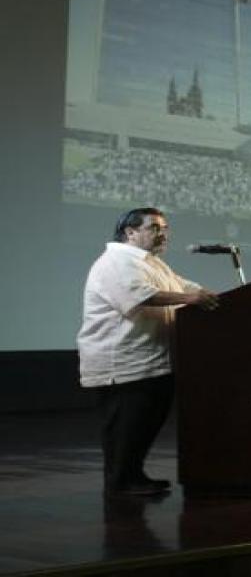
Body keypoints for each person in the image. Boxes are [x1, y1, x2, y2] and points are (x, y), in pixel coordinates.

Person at [77, 208, 219, 496]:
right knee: (125, 429)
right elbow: (140, 297)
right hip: (124, 364)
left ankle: (133, 476)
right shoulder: (116, 262)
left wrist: (211, 295)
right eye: (154, 227)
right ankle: (120, 484)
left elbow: (182, 285)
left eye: (165, 227)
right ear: (130, 232)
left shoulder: (151, 263)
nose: (163, 233)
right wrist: (192, 298)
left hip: (153, 362)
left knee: (143, 426)